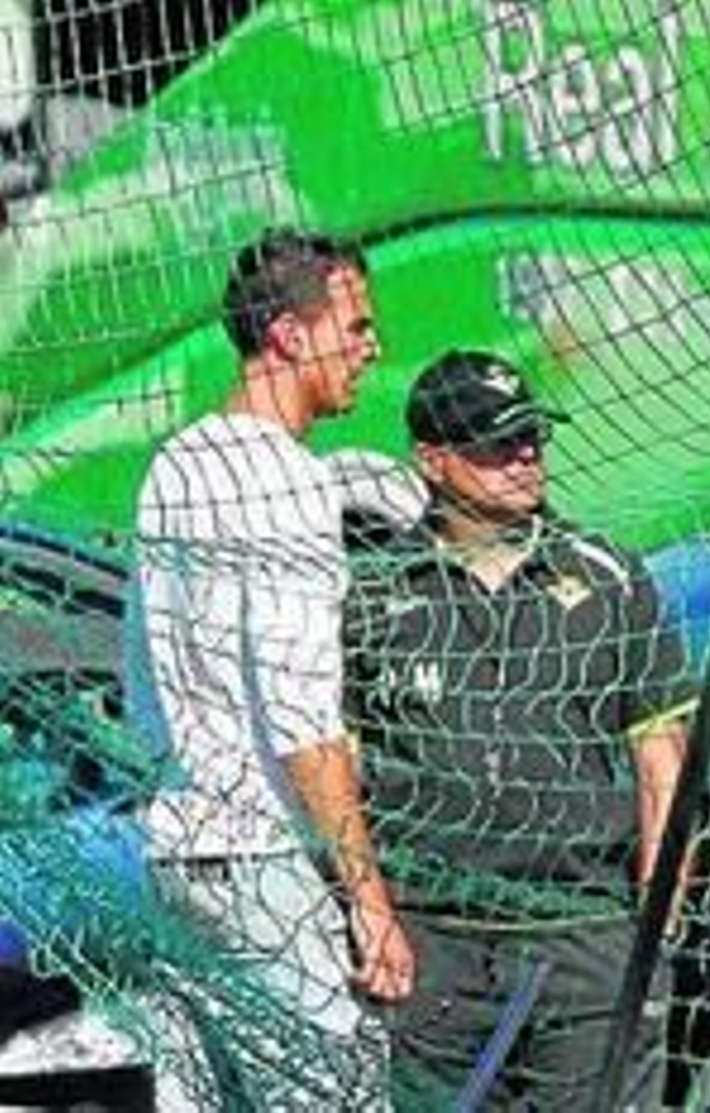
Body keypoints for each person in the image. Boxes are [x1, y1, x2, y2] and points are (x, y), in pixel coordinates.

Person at [344, 349, 695, 1109]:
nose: (525, 456)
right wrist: (369, 908)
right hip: (433, 940)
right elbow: (338, 763)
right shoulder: (372, 593)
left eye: (532, 434)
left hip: (586, 931)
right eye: (497, 442)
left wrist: (659, 913)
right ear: (433, 459)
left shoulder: (608, 575)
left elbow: (661, 752)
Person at [125, 227, 414, 1110]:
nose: (373, 346)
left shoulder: (178, 460)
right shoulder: (284, 486)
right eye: (357, 323)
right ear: (290, 334)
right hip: (262, 856)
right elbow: (303, 722)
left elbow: (142, 678)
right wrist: (368, 900)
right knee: (337, 1094)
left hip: (180, 852)